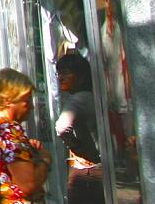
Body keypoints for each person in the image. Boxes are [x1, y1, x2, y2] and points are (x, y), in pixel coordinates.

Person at [0, 68, 52, 203]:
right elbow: (28, 184)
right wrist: (45, 159)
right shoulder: (10, 131)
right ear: (7, 101)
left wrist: (27, 150)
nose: (31, 107)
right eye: (26, 101)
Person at [55, 53, 104, 203]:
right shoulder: (91, 97)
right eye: (59, 73)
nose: (61, 77)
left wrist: (78, 149)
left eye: (66, 73)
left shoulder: (78, 99)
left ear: (81, 76)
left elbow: (62, 127)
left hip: (86, 170)